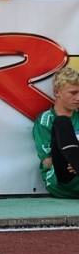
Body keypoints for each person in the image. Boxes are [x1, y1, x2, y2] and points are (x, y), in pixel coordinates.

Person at [33, 67, 79, 199]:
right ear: (57, 92)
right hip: (61, 179)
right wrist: (73, 161)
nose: (78, 98)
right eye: (73, 93)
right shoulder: (45, 120)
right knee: (62, 123)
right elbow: (47, 161)